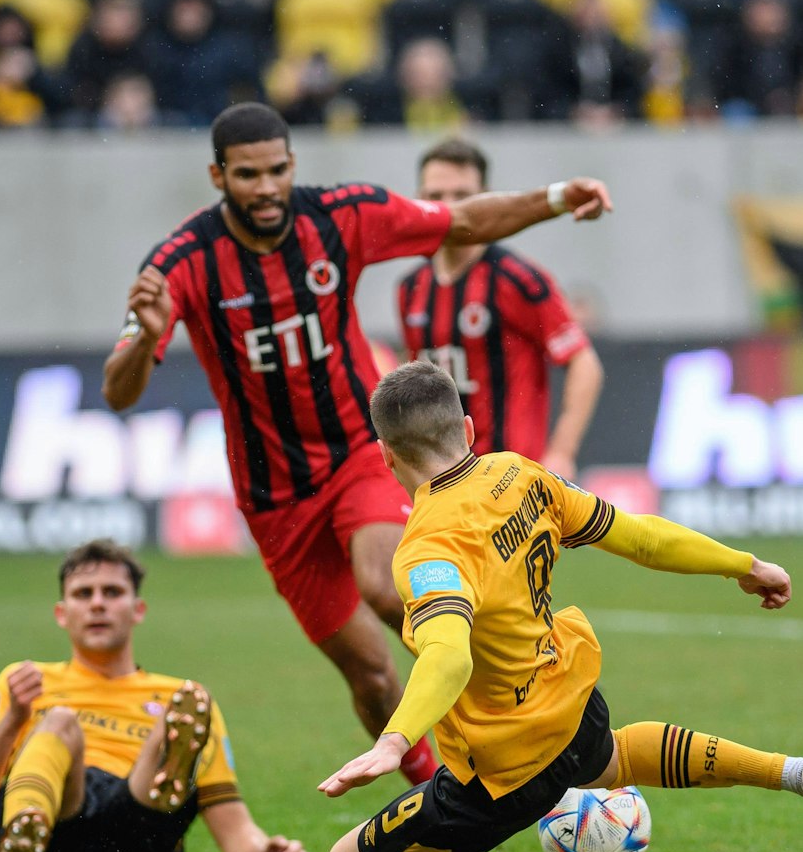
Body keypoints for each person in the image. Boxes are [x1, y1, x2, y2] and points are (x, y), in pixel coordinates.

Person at [317, 363, 803, 852]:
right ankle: (800, 772)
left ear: (386, 458)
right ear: (469, 428)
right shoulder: (520, 474)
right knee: (613, 756)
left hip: (505, 768)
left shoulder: (426, 549)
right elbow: (641, 537)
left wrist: (395, 741)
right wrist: (741, 563)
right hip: (574, 707)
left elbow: (449, 652)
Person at [103, 102, 616, 789]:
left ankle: (525, 706)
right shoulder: (181, 265)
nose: (265, 187)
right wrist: (145, 335)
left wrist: (555, 199)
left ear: (293, 166)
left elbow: (461, 221)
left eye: (277, 170)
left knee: (385, 583)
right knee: (370, 673)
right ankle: (442, 789)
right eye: (247, 174)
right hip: (271, 496)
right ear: (217, 175)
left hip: (356, 453)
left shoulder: (340, 216)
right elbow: (119, 391)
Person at [0, 539, 310, 852]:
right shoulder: (26, 682)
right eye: (82, 593)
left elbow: (234, 830)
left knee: (186, 705)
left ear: (138, 609)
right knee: (59, 722)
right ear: (62, 613)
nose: (97, 604)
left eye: (112, 592)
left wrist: (267, 851)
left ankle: (161, 778)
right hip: (61, 813)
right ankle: (26, 833)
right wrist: (14, 720)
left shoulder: (181, 702)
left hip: (135, 828)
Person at [395, 138, 604, 478]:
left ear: (488, 199)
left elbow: (584, 363)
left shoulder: (517, 279)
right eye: (435, 196)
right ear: (419, 200)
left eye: (462, 196)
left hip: (512, 479)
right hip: (444, 480)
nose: (449, 208)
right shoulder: (410, 289)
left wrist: (562, 453)